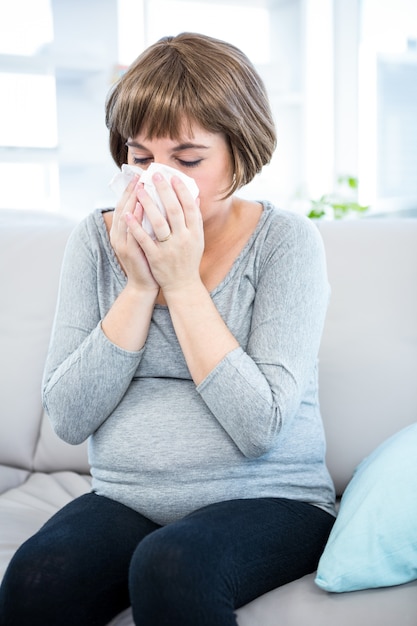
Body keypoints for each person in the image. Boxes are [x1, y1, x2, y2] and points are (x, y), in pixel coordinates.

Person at [0, 32, 336, 626]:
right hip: (126, 497)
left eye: (187, 160)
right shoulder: (96, 241)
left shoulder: (286, 244)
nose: (157, 179)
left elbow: (260, 429)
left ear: (241, 150)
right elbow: (70, 418)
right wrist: (138, 287)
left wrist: (181, 285)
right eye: (140, 158)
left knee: (171, 564)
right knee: (33, 580)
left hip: (271, 500)